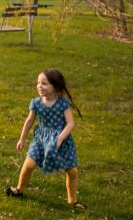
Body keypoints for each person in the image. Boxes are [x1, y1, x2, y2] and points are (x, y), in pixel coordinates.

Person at [5, 68, 84, 209]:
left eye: (44, 83)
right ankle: (19, 189)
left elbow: (71, 123)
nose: (39, 86)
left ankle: (72, 201)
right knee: (29, 165)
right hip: (41, 139)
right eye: (38, 83)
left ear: (56, 87)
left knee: (72, 171)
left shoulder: (63, 103)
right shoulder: (36, 103)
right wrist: (22, 139)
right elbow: (29, 121)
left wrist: (59, 139)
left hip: (62, 140)